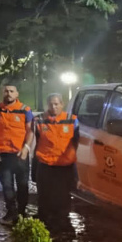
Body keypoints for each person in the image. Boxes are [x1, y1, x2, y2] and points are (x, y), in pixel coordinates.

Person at [0, 83, 35, 224]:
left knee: (22, 185)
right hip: (3, 154)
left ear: (17, 94)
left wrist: (26, 148)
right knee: (7, 185)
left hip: (20, 154)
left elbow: (30, 131)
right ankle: (11, 212)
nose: (8, 93)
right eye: (6, 91)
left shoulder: (25, 110)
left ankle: (21, 212)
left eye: (11, 91)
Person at [33, 93, 79, 234]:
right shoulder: (40, 120)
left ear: (62, 104)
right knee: (44, 196)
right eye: (51, 104)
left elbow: (76, 141)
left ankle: (63, 224)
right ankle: (45, 224)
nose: (53, 107)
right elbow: (36, 138)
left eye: (56, 104)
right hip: (46, 165)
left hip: (64, 166)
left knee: (63, 196)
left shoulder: (72, 121)